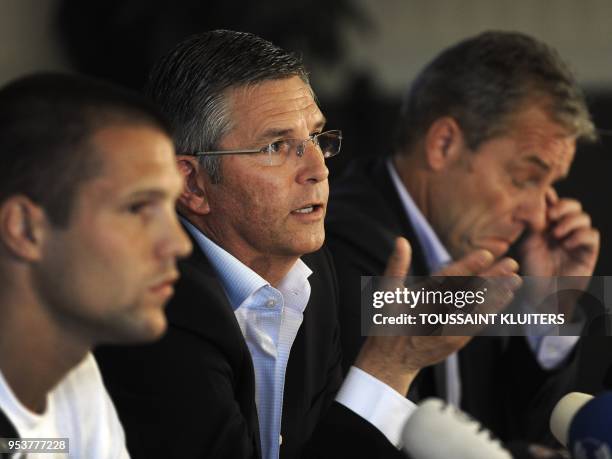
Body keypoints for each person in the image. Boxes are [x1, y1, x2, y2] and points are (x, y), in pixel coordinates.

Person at [95, 30, 521, 459]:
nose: (318, 169)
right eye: (277, 146)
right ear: (192, 184)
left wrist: (563, 305)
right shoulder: (159, 303)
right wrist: (391, 364)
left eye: (317, 138)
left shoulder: (310, 275)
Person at [326, 30, 600, 444]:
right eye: (525, 177)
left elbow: (512, 432)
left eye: (550, 186)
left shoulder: (467, 250)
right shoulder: (346, 244)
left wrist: (552, 305)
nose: (538, 213)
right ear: (444, 143)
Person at [0, 73, 192, 458]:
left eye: (170, 207)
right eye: (138, 208)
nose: (180, 244)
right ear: (25, 229)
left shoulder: (72, 373)